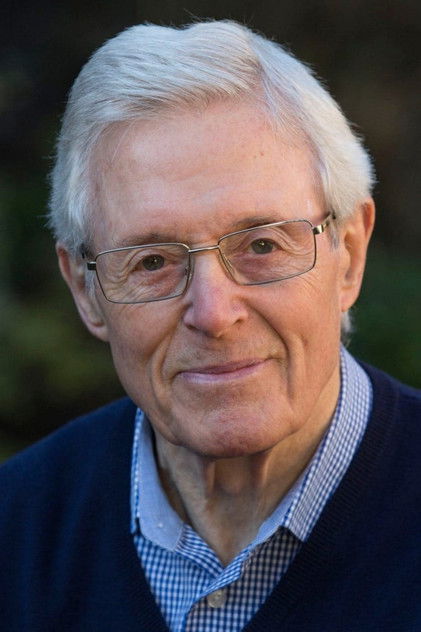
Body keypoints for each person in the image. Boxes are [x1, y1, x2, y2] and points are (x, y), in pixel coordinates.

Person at [1, 20, 420, 632]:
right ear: (86, 291)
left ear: (349, 254)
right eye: (152, 262)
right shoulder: (16, 533)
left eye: (262, 245)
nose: (214, 313)